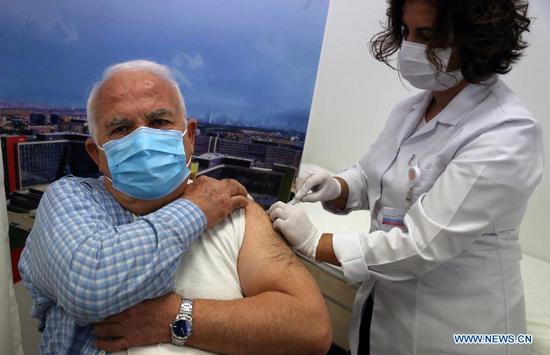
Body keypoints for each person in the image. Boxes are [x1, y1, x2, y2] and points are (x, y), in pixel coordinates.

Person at [268, 0, 544, 354]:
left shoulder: (507, 132)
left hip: (464, 333)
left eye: (426, 35)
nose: (410, 48)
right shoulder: (411, 110)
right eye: (406, 32)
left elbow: (422, 244)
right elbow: (372, 176)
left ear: (477, 39)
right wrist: (336, 186)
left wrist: (314, 242)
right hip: (383, 313)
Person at [19, 60, 331, 354]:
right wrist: (194, 210)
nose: (143, 139)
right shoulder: (71, 199)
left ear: (190, 137)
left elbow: (310, 329)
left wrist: (175, 317)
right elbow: (87, 288)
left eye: (159, 121)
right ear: (96, 154)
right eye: (120, 128)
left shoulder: (235, 209)